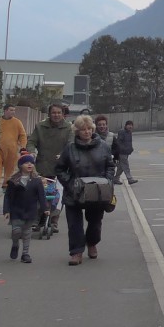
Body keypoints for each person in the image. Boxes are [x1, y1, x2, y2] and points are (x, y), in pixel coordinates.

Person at [54, 114, 116, 265]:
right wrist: (70, 183)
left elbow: (110, 166)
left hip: (97, 191)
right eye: (83, 129)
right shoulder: (70, 148)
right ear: (77, 131)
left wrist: (107, 181)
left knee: (95, 223)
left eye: (89, 128)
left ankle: (92, 243)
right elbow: (60, 169)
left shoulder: (103, 146)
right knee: (74, 225)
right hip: (74, 192)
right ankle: (76, 252)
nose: (87, 132)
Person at [27, 102, 73, 234]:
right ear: (49, 114)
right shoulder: (40, 127)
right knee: (40, 193)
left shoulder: (68, 128)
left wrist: (64, 154)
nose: (56, 115)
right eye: (54, 112)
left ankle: (54, 220)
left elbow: (71, 144)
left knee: (58, 195)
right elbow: (31, 141)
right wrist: (31, 151)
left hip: (61, 168)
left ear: (63, 114)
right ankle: (37, 219)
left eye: (59, 112)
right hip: (42, 166)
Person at [3, 154, 46, 264]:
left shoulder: (36, 180)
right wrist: (6, 210)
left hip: (30, 210)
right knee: (16, 231)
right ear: (20, 165)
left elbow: (41, 195)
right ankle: (15, 244)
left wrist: (44, 208)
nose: (29, 164)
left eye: (31, 163)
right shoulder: (14, 181)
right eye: (27, 163)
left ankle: (25, 254)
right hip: (16, 210)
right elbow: (8, 196)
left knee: (27, 232)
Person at [0, 104, 29, 186]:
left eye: (14, 110)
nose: (13, 112)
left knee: (10, 168)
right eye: (11, 110)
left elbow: (22, 135)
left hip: (12, 149)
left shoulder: (17, 122)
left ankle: (6, 184)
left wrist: (23, 147)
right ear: (5, 110)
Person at [114, 120, 138, 184]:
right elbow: (119, 142)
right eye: (129, 125)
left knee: (121, 167)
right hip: (122, 152)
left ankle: (116, 179)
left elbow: (129, 142)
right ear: (126, 125)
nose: (130, 126)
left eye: (131, 125)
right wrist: (123, 149)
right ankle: (129, 179)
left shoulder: (129, 132)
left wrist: (131, 148)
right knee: (126, 165)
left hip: (126, 152)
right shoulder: (122, 132)